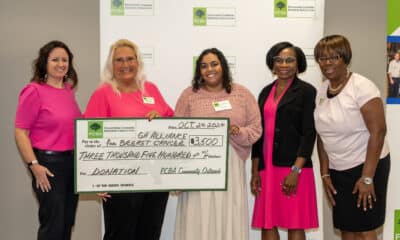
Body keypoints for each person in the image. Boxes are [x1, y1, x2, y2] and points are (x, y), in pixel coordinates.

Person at [84, 39, 173, 240]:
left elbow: (171, 122)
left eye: (130, 59)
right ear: (111, 65)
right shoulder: (103, 93)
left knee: (150, 233)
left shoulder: (151, 89)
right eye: (119, 60)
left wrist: (160, 120)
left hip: (155, 178)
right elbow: (91, 134)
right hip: (120, 178)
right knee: (120, 234)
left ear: (138, 62)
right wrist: (95, 178)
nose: (125, 64)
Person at [173, 48, 262, 240]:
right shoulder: (189, 95)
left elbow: (256, 129)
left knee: (228, 211)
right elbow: (176, 130)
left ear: (223, 66)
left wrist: (239, 132)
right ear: (199, 71)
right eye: (204, 66)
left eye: (214, 64)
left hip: (230, 164)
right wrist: (176, 173)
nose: (209, 69)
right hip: (196, 166)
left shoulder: (242, 94)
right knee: (197, 211)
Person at [314, 35, 390, 240]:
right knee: (346, 226)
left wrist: (367, 177)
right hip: (338, 170)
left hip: (366, 166)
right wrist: (325, 173)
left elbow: (379, 131)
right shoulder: (322, 89)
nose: (327, 63)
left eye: (334, 57)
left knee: (365, 227)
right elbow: (322, 134)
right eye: (322, 58)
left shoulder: (362, 87)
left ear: (345, 58)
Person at [250, 42, 319, 240]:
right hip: (267, 168)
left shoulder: (307, 91)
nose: (284, 64)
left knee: (295, 222)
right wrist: (255, 170)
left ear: (298, 64)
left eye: (290, 60)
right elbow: (258, 133)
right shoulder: (265, 92)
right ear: (272, 64)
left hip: (294, 167)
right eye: (278, 60)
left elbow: (309, 134)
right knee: (267, 221)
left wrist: (295, 170)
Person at [15, 40, 81, 240]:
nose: (61, 64)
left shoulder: (68, 91)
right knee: (52, 224)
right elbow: (20, 132)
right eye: (55, 60)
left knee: (67, 221)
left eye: (65, 60)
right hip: (48, 165)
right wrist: (34, 165)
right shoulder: (33, 91)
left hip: (71, 164)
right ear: (45, 63)